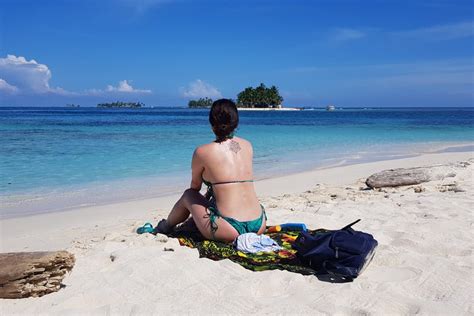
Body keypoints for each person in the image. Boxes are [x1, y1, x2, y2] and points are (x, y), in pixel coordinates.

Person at [155, 99, 266, 242]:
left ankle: (165, 226)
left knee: (188, 195)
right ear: (236, 122)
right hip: (259, 225)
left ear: (211, 124)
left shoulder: (202, 152)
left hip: (229, 229)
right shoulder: (247, 146)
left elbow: (195, 187)